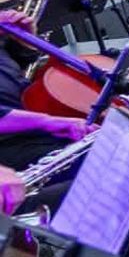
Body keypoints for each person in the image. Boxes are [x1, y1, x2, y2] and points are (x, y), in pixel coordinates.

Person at [0, 9, 94, 171]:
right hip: (12, 142)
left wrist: (24, 39)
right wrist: (50, 123)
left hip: (34, 115)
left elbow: (14, 66)